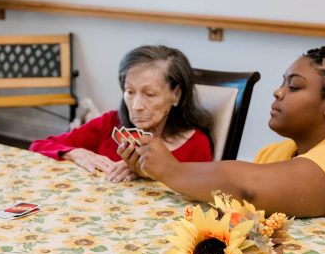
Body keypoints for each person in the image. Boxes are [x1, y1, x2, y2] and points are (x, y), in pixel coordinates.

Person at [120, 36, 325, 231]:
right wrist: (153, 169)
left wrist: (171, 170)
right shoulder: (273, 154)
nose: (278, 92)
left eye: (294, 87)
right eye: (282, 83)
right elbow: (235, 205)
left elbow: (247, 190)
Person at [30, 45, 213, 182]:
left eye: (149, 94)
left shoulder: (196, 145)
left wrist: (152, 175)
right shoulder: (110, 123)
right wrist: (76, 152)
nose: (136, 105)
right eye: (129, 91)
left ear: (176, 94)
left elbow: (206, 200)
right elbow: (39, 146)